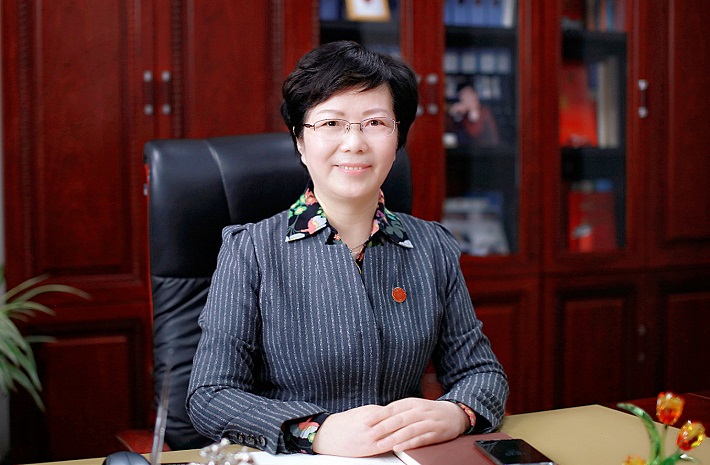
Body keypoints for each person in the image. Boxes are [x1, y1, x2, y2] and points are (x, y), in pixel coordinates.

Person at [187, 40, 508, 457]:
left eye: (375, 122)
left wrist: (456, 412)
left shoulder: (432, 247)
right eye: (331, 123)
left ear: (398, 138)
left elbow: (482, 372)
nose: (354, 142)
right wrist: (315, 431)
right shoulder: (251, 252)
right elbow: (210, 396)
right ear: (300, 141)